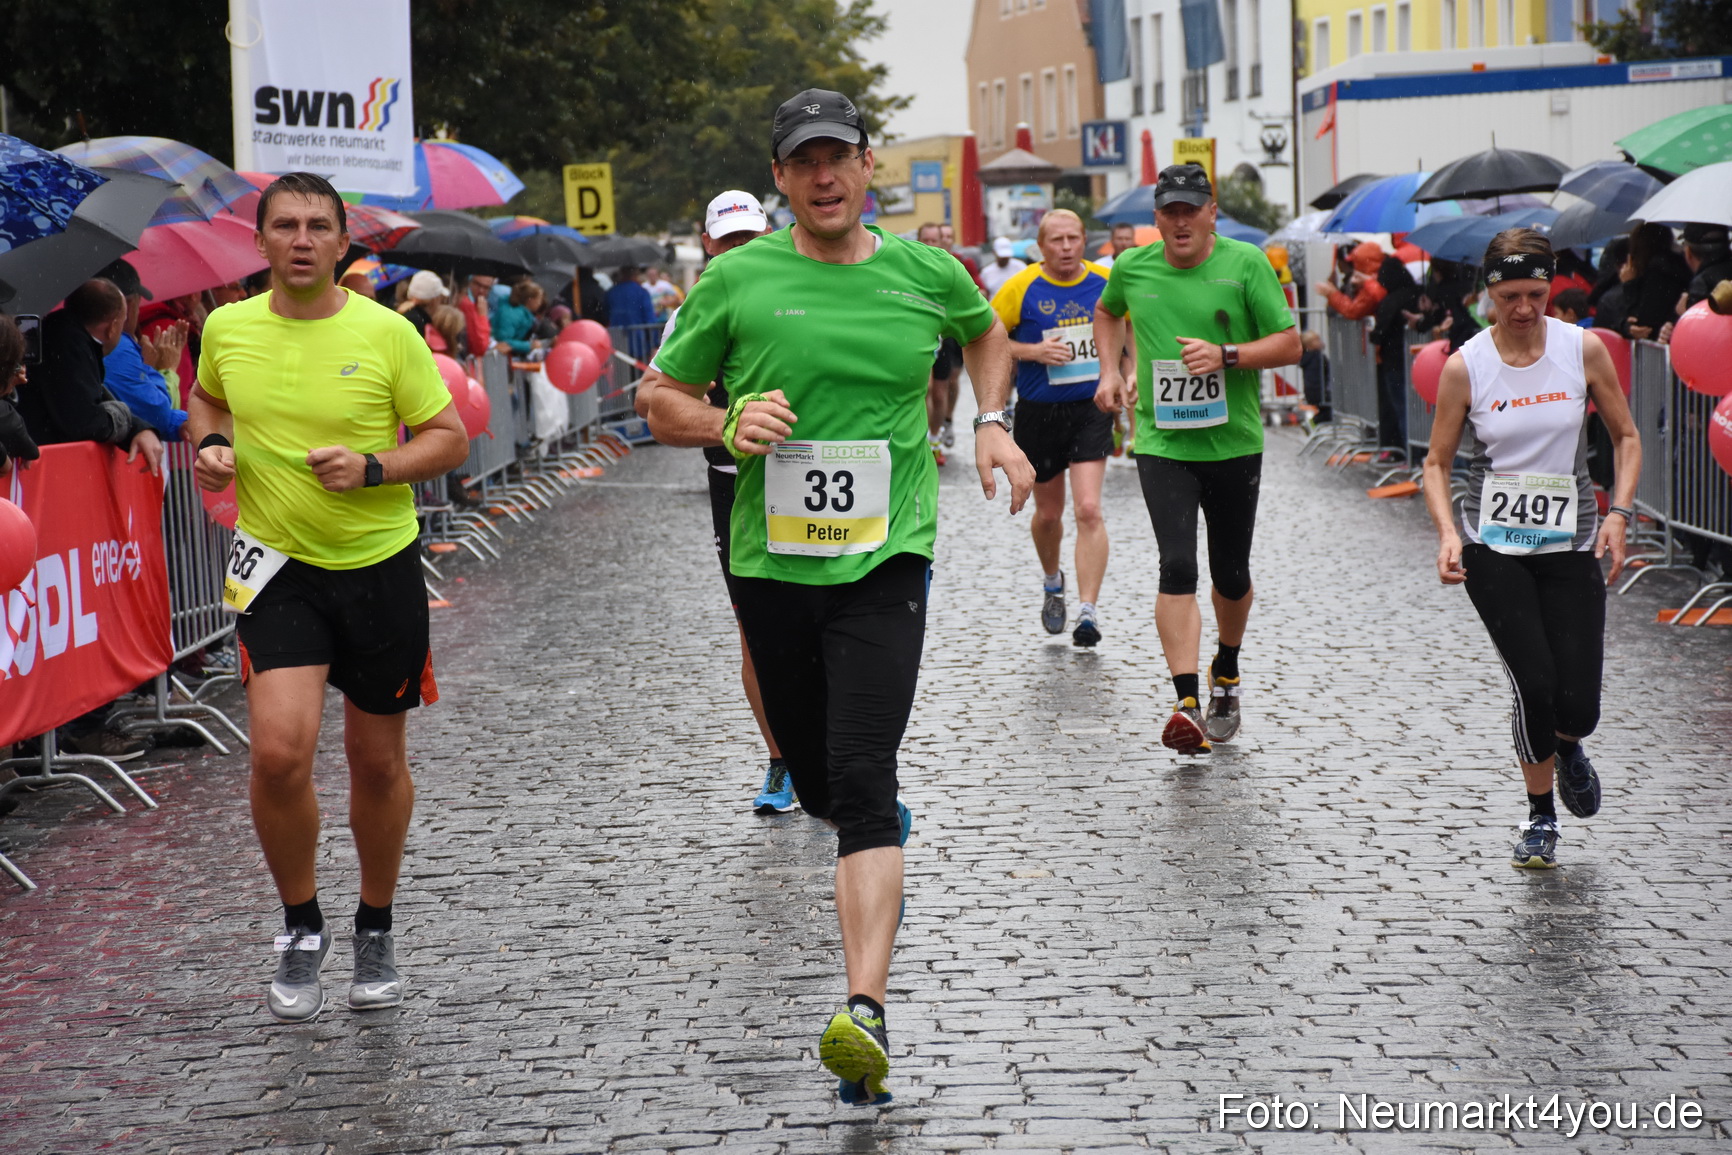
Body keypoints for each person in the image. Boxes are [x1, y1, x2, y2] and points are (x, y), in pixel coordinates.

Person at [640, 88, 1033, 1105]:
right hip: (772, 567)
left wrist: (990, 420)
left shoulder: (924, 271)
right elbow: (657, 398)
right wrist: (725, 422)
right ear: (780, 178)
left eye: (839, 157)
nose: (823, 176)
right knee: (819, 787)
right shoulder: (738, 280)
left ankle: (864, 1012)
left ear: (867, 168)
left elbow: (987, 334)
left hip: (886, 561)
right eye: (801, 161)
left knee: (861, 776)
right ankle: (854, 818)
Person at [187, 172, 470, 1023]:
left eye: (318, 226)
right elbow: (207, 397)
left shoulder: (388, 334)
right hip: (278, 566)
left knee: (377, 761)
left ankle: (374, 923)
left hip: (378, 566)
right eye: (285, 226)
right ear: (261, 241)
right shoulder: (228, 330)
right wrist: (207, 442)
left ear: (344, 243)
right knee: (279, 752)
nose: (302, 239)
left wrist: (375, 467)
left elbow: (451, 437)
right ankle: (301, 923)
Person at [1420, 228, 1640, 869]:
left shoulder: (1583, 350)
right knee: (1534, 683)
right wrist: (1446, 534)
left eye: (1536, 294)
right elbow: (1435, 463)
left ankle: (1569, 748)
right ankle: (1540, 816)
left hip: (1570, 540)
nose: (1523, 309)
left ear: (1551, 288)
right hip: (1493, 543)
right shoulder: (1467, 366)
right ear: (1489, 291)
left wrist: (1620, 515)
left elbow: (1626, 437)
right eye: (1510, 295)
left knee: (1580, 704)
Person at [1093, 163, 1301, 755]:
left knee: (1231, 573)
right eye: (1169, 211)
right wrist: (1112, 370)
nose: (1180, 221)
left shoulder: (1245, 264)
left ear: (1212, 212)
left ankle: (1226, 671)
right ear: (1155, 218)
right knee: (1177, 564)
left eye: (1192, 209)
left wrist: (1227, 354)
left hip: (1234, 442)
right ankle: (1185, 703)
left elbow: (1289, 343)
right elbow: (1108, 312)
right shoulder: (1132, 266)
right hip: (1163, 443)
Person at [634, 191, 791, 813]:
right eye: (728, 242)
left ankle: (837, 748)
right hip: (736, 480)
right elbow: (652, 394)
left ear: (769, 233)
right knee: (757, 631)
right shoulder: (696, 308)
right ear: (708, 245)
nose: (740, 251)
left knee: (835, 616)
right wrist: (718, 416)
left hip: (821, 475)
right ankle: (782, 761)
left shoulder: (809, 286)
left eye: (750, 238)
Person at [991, 209, 1113, 646]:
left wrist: (1127, 371)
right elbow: (986, 338)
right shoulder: (1020, 287)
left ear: (1084, 241)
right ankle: (1051, 580)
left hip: (1090, 409)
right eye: (1056, 240)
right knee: (1047, 515)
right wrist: (1032, 350)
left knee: (1089, 510)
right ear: (1040, 247)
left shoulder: (1104, 279)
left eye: (1073, 239)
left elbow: (1126, 326)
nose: (1065, 248)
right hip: (1039, 412)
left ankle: (1088, 613)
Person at [14, 278, 164, 475]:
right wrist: (122, 421)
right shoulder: (69, 344)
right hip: (41, 471)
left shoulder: (62, 333)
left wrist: (138, 428)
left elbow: (95, 396)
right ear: (113, 326)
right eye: (123, 321)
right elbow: (83, 420)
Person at [99, 260, 189, 442]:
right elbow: (157, 416)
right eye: (138, 306)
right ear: (129, 306)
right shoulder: (119, 346)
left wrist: (188, 422)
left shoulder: (91, 339)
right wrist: (165, 369)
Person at [915, 222, 981, 464]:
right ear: (918, 240)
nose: (931, 244)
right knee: (927, 390)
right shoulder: (910, 267)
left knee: (943, 391)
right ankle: (924, 439)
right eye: (927, 240)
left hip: (947, 336)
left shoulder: (953, 266)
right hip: (919, 339)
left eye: (936, 240)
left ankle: (938, 435)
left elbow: (977, 297)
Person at [1315, 240, 1387, 321]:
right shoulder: (1379, 279)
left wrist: (1332, 293)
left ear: (1362, 263)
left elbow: (1353, 311)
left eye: (1356, 262)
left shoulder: (1371, 286)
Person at [456, 274, 501, 356]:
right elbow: (480, 348)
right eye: (477, 284)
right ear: (470, 282)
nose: (481, 290)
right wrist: (483, 317)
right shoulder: (467, 304)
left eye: (486, 288)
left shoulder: (475, 304)